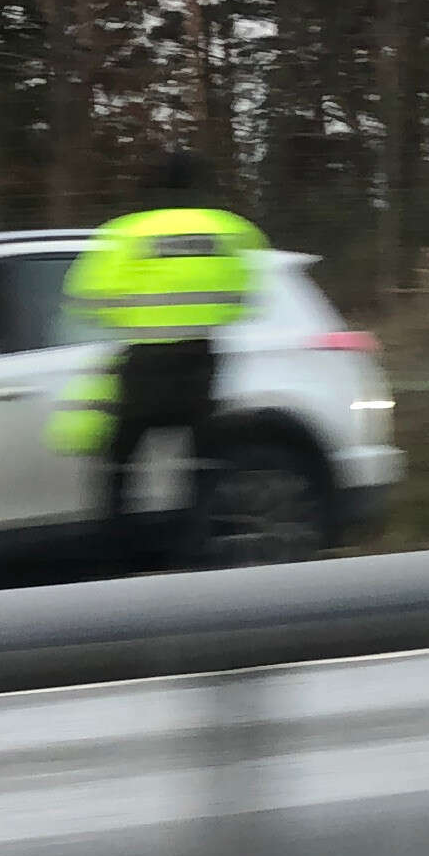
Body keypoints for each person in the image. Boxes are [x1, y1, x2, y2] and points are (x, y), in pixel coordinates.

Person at [51, 155, 262, 571]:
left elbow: (85, 301)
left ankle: (119, 557)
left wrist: (131, 314)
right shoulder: (229, 230)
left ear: (154, 190)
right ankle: (194, 552)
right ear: (197, 187)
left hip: (145, 362)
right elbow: (244, 298)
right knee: (201, 461)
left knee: (119, 461)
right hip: (199, 362)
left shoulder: (127, 233)